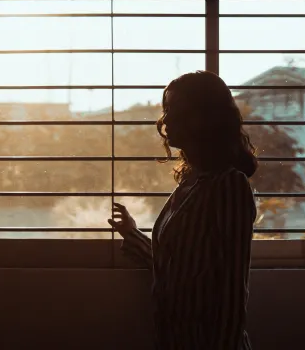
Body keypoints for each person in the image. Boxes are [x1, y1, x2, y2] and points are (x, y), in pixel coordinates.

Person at [108, 71, 258, 350]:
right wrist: (133, 235)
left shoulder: (228, 186)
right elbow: (178, 270)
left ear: (204, 117)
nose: (165, 121)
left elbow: (232, 289)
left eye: (175, 110)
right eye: (166, 110)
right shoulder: (191, 184)